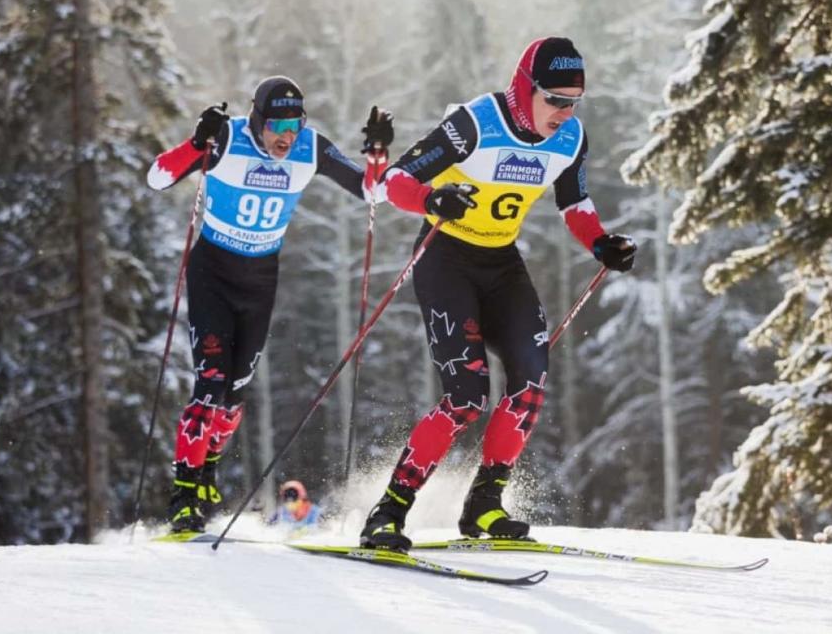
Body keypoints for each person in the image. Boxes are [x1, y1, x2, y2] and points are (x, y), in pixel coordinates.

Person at [359, 37, 637, 550]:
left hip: (502, 263)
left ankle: (484, 507)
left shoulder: (570, 137)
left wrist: (601, 242)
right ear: (524, 88)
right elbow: (395, 180)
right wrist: (432, 197)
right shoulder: (475, 123)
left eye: (573, 100)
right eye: (553, 98)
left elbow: (574, 202)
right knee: (466, 399)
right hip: (447, 260)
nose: (563, 111)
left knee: (529, 386)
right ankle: (388, 513)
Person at [147, 76, 393, 533]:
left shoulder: (310, 148)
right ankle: (183, 496)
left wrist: (377, 154)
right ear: (258, 119)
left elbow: (371, 190)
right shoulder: (226, 139)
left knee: (235, 394)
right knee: (211, 385)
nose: (286, 136)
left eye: (295, 124)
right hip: (213, 273)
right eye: (277, 124)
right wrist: (197, 141)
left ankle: (207, 473)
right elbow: (158, 177)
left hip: (260, 280)